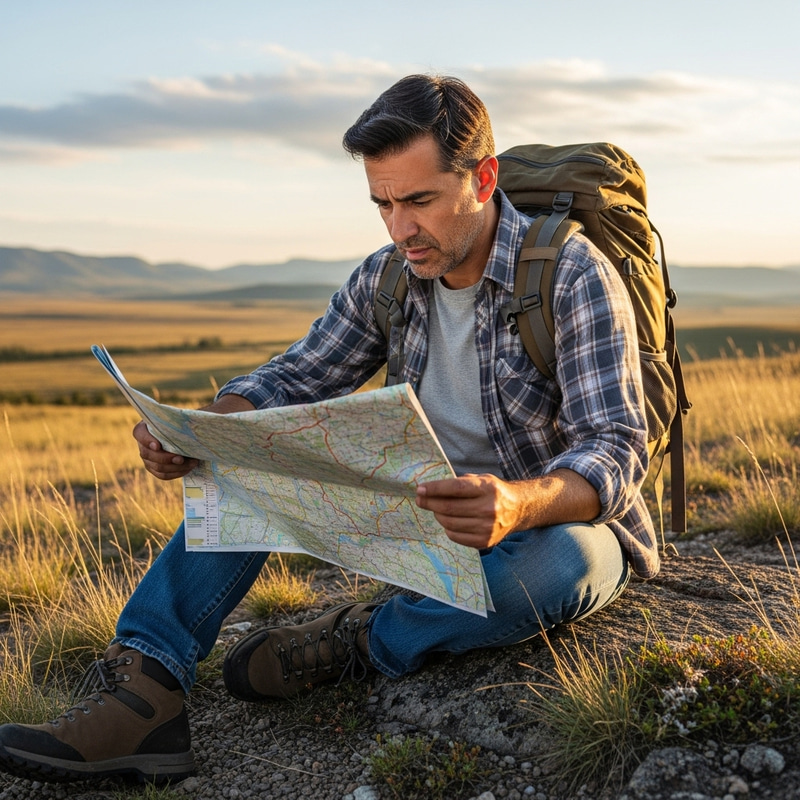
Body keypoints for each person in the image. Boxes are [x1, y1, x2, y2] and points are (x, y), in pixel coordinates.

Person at [0, 74, 658, 784]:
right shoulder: (388, 277)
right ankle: (144, 692)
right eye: (382, 204)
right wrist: (205, 430)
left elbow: (616, 447)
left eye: (419, 201)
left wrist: (516, 504)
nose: (400, 229)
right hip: (425, 522)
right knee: (245, 454)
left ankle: (356, 641)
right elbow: (295, 378)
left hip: (546, 526)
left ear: (483, 179)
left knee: (565, 564)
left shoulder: (572, 274)